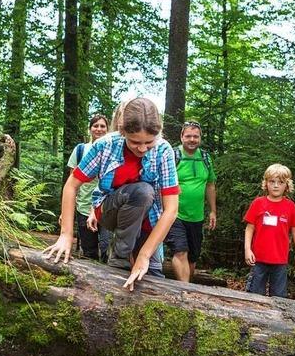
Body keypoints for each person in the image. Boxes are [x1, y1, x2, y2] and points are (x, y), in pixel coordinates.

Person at [44, 98, 180, 291]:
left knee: (152, 280)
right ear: (122, 131)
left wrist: (144, 255)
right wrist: (66, 235)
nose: (142, 149)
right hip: (110, 211)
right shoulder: (106, 144)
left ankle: (133, 254)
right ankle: (121, 254)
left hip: (148, 223)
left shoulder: (164, 150)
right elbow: (71, 185)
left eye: (148, 143)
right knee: (143, 191)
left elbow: (171, 210)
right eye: (135, 142)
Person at [165, 121, 217, 282]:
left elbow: (210, 185)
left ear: (200, 138)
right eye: (188, 136)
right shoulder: (173, 156)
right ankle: (184, 292)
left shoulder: (205, 158)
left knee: (192, 258)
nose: (192, 140)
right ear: (181, 137)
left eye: (196, 136)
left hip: (197, 217)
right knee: (180, 252)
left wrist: (213, 211)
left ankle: (186, 289)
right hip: (175, 214)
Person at [244, 164, 295, 297]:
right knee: (254, 296)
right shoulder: (258, 203)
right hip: (258, 260)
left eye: (280, 182)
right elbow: (249, 228)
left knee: (279, 298)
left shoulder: (290, 206)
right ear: (266, 184)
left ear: (287, 185)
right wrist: (247, 249)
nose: (276, 185)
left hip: (280, 261)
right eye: (272, 182)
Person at [65, 115, 111, 263]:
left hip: (106, 208)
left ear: (108, 129)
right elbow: (71, 183)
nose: (99, 129)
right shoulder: (80, 150)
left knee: (107, 248)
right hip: (83, 207)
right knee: (88, 252)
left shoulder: (113, 150)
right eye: (95, 126)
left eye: (102, 126)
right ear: (90, 129)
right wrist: (65, 212)